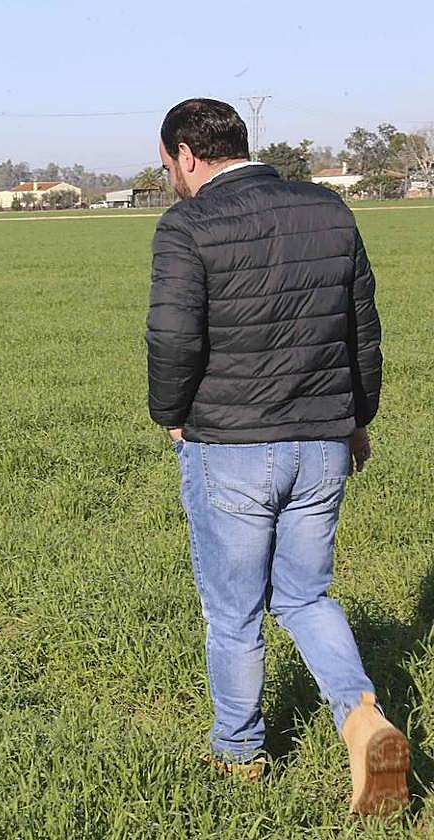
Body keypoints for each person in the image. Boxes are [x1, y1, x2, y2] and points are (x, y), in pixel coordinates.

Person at [145, 98, 408, 815]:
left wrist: (170, 416)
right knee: (306, 595)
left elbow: (173, 337)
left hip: (229, 447)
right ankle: (363, 720)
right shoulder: (328, 210)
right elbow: (363, 328)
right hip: (324, 439)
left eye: (168, 163)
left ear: (186, 156)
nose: (171, 174)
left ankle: (238, 754)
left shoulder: (187, 223)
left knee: (233, 612)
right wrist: (357, 419)